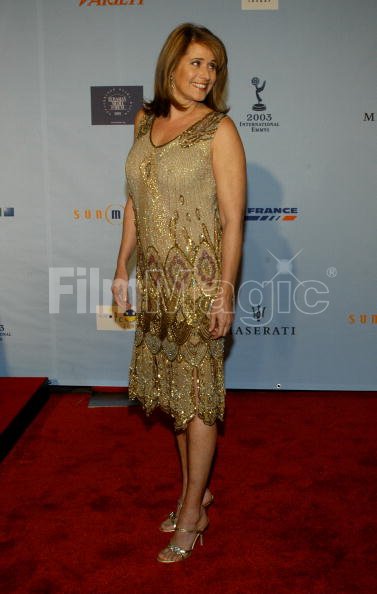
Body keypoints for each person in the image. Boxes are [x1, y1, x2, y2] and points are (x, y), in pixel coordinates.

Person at [112, 22, 246, 563]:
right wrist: (121, 267)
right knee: (173, 396)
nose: (205, 74)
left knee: (199, 402)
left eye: (213, 66)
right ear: (171, 65)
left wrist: (225, 292)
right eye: (196, 62)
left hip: (199, 285)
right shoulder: (145, 121)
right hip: (159, 285)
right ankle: (198, 488)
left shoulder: (220, 130)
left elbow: (234, 222)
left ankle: (193, 513)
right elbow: (134, 202)